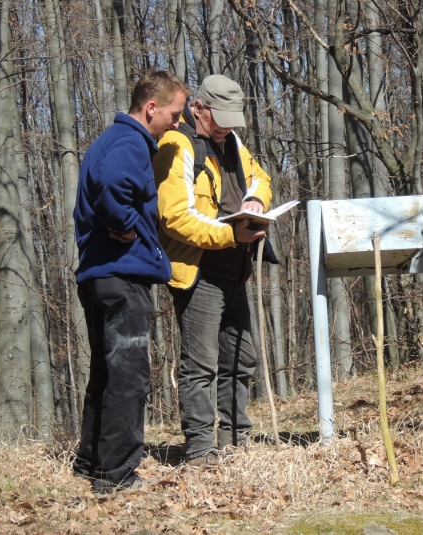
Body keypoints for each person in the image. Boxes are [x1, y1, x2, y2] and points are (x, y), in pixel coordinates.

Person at [72, 71, 190, 494]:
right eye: (175, 114)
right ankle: (117, 475)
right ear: (151, 107)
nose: (178, 123)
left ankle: (91, 463)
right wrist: (125, 225)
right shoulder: (129, 142)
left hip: (98, 275)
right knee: (130, 376)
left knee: (106, 372)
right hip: (120, 275)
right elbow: (111, 187)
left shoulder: (111, 140)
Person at [153, 74, 273, 467]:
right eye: (218, 118)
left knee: (241, 359)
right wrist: (229, 233)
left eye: (232, 119)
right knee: (200, 364)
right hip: (199, 271)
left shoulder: (233, 142)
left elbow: (261, 178)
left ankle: (235, 439)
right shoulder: (178, 143)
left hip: (236, 270)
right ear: (197, 108)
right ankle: (202, 448)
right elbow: (174, 217)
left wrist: (255, 200)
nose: (225, 126)